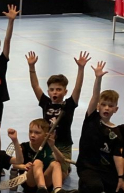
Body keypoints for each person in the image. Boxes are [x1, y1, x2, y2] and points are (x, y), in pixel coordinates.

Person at [26, 50, 89, 180]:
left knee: (61, 174)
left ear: (65, 92)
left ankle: (66, 168)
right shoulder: (45, 103)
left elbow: (78, 87)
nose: (55, 92)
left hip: (63, 145)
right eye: (52, 89)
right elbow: (35, 86)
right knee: (42, 169)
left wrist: (81, 68)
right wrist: (32, 67)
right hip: (46, 142)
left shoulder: (69, 105)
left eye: (59, 89)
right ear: (48, 91)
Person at [76, 62, 124, 193]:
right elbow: (95, 95)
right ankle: (83, 184)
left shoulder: (116, 131)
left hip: (105, 169)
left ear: (115, 109)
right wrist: (98, 78)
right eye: (104, 105)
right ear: (98, 106)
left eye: (110, 106)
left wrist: (120, 178)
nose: (106, 108)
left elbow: (117, 156)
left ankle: (101, 182)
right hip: (87, 166)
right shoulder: (91, 118)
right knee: (95, 188)